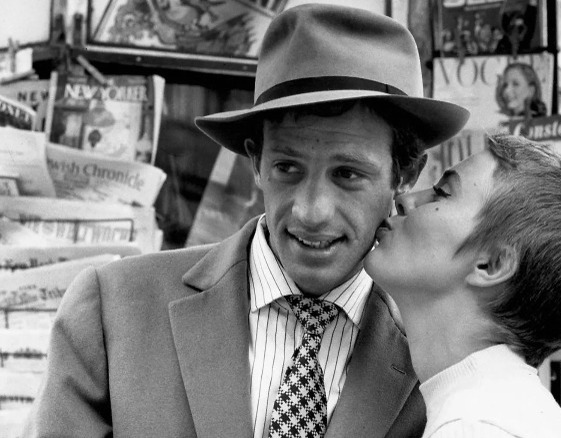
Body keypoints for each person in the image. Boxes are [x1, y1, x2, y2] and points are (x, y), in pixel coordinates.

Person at [24, 4, 468, 438]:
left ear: (405, 174)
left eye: (348, 174)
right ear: (256, 161)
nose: (310, 211)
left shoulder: (447, 358)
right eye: (287, 168)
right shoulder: (113, 311)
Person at [365, 134, 561, 437]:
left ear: (492, 265)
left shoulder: (472, 426)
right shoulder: (505, 411)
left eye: (441, 193)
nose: (405, 199)